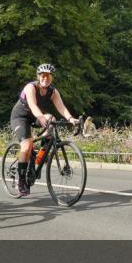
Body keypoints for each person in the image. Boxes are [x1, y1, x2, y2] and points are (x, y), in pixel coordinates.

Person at [9, 63, 78, 196]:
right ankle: (21, 181)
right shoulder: (31, 87)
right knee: (26, 145)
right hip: (20, 117)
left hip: (36, 116)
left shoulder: (53, 91)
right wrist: (41, 117)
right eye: (43, 75)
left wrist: (70, 118)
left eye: (48, 76)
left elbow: (61, 107)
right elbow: (33, 106)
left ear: (51, 78)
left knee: (52, 119)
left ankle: (40, 153)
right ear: (38, 76)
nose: (45, 78)